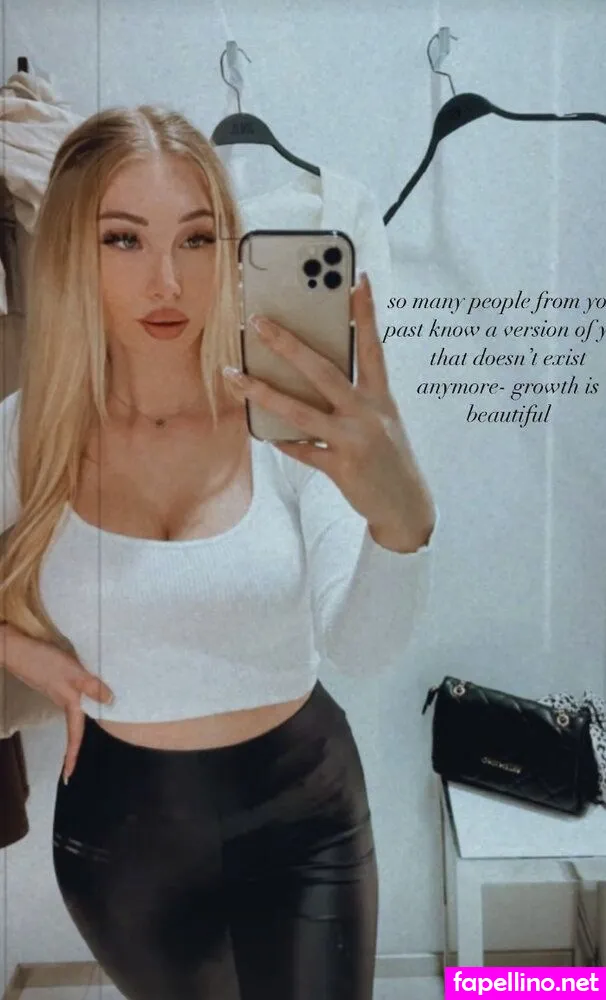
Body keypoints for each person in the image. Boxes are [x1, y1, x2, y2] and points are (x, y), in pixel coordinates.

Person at [0, 105, 437, 1000]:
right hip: (122, 838)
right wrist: (16, 649)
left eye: (197, 239)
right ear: (73, 250)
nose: (167, 280)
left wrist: (403, 524)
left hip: (305, 814)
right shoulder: (29, 434)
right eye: (124, 239)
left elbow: (361, 648)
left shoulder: (287, 424)